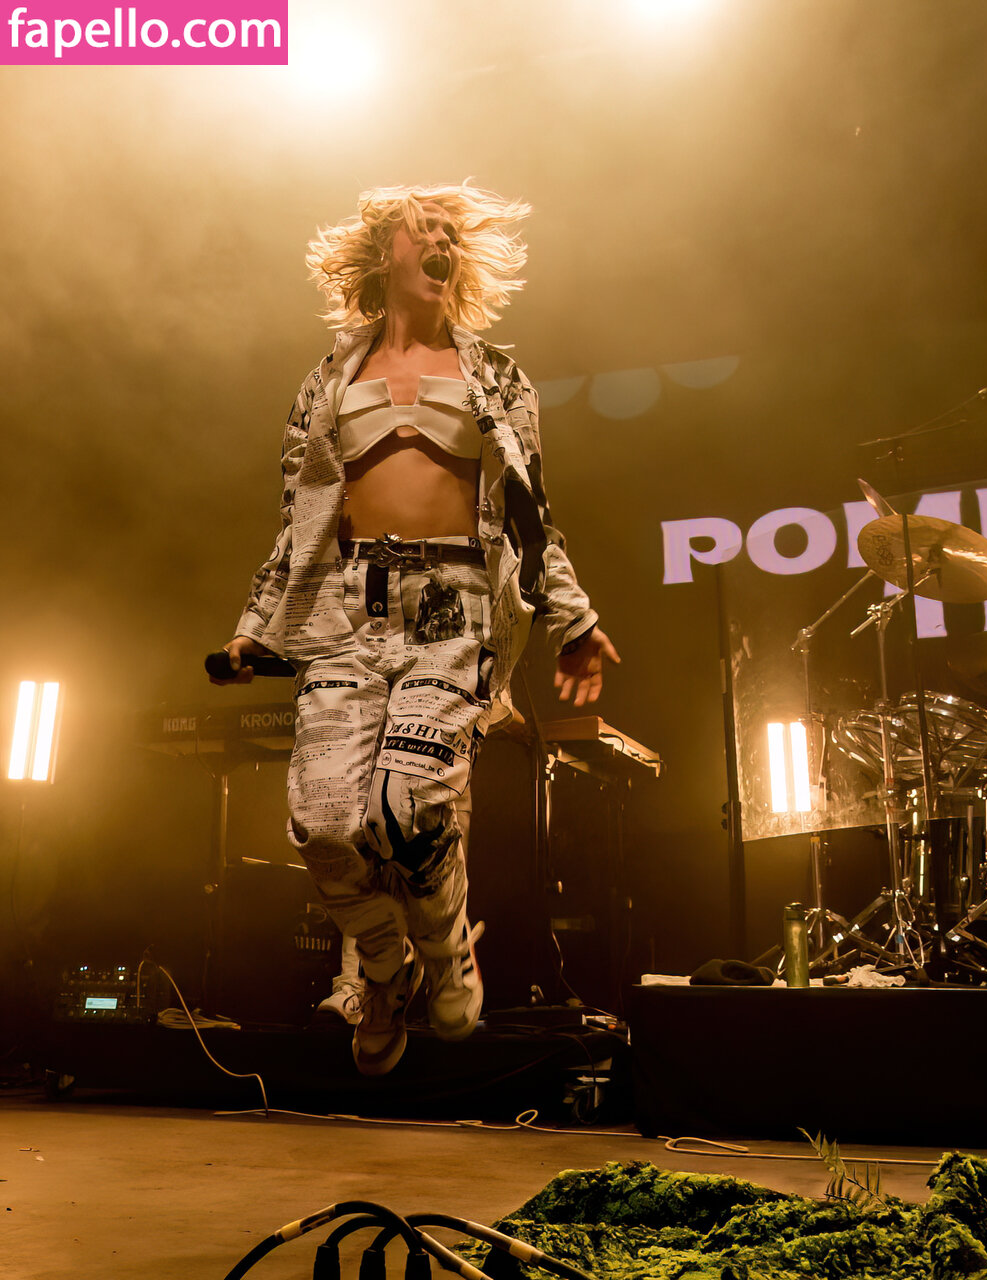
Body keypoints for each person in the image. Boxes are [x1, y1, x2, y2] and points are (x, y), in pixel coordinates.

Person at [211, 184, 620, 1076]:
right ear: (385, 251)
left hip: (453, 604)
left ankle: (445, 946)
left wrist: (575, 618)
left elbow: (531, 512)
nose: (441, 239)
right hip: (344, 610)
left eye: (450, 231)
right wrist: (254, 629)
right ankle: (384, 967)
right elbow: (297, 522)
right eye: (422, 227)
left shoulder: (496, 377)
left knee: (407, 809)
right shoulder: (326, 382)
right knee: (322, 826)